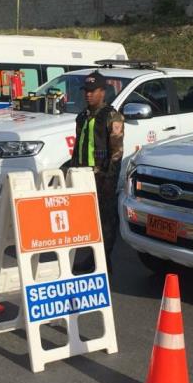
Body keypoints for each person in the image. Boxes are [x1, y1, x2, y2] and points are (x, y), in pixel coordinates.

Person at [69, 70, 124, 271]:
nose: (88, 94)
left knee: (106, 220)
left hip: (102, 178)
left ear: (102, 92)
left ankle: (103, 261)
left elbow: (117, 151)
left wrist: (109, 178)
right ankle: (91, 257)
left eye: (93, 91)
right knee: (87, 221)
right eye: (86, 91)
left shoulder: (112, 116)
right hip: (82, 176)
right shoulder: (82, 117)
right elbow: (78, 147)